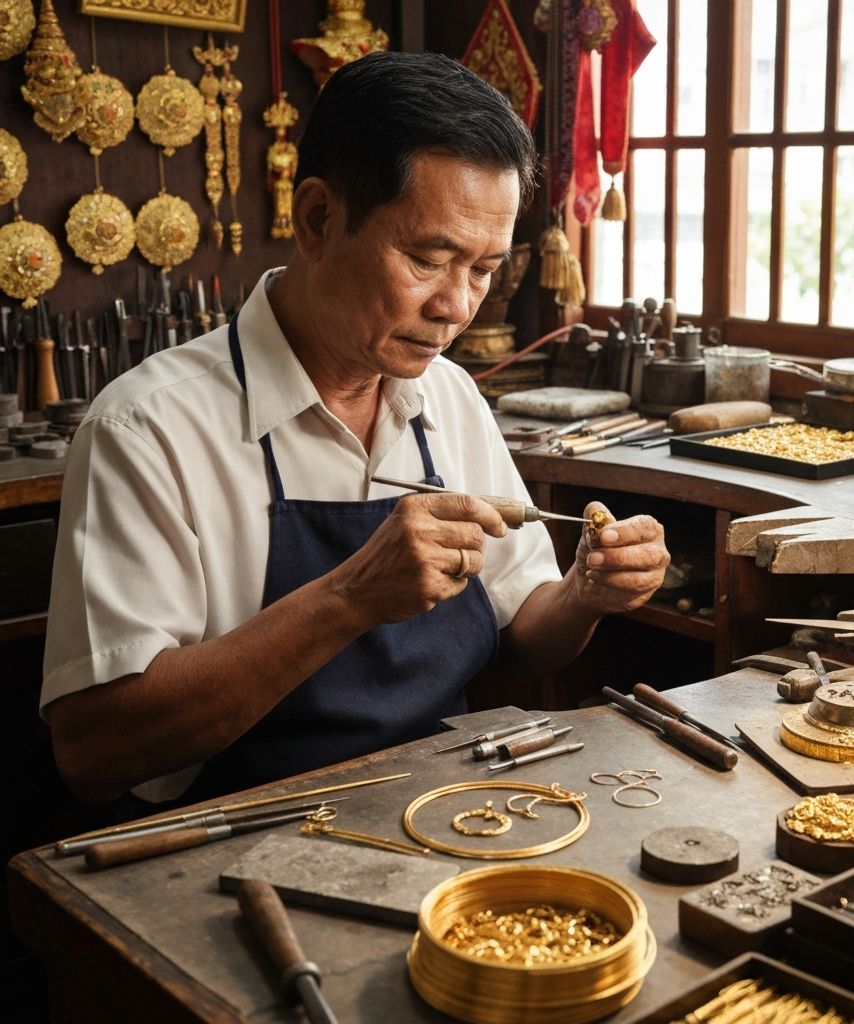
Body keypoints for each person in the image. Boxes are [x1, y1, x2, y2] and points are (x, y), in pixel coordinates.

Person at [41, 51, 670, 809]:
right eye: (429, 259)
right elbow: (95, 748)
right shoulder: (147, 429)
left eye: (483, 270)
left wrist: (586, 595)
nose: (457, 306)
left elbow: (521, 630)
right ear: (317, 219)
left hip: (448, 811)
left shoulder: (451, 398)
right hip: (235, 839)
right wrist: (348, 597)